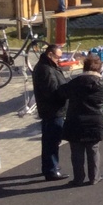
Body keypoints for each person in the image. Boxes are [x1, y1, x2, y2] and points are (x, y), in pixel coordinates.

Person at [60, 53, 103, 187]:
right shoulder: (102, 84)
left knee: (76, 151)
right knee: (93, 150)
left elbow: (62, 92)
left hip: (75, 120)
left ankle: (78, 178)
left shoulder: (75, 83)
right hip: (95, 120)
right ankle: (94, 177)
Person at [33, 43, 68, 181]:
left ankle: (48, 167)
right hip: (52, 110)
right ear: (50, 55)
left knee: (50, 140)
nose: (60, 60)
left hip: (52, 109)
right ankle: (51, 170)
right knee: (51, 141)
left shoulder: (48, 66)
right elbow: (53, 91)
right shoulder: (45, 70)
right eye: (58, 57)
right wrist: (67, 91)